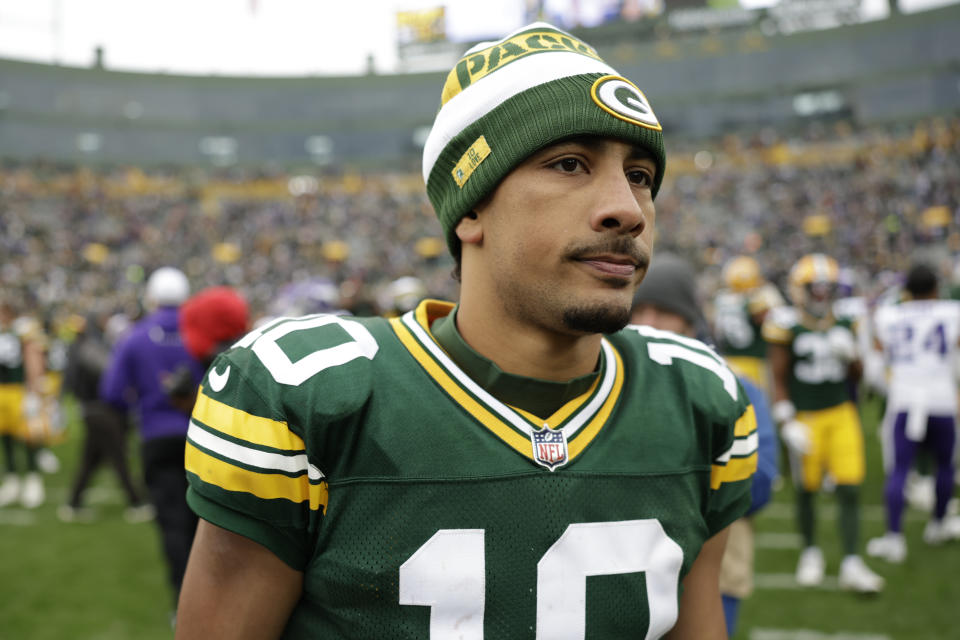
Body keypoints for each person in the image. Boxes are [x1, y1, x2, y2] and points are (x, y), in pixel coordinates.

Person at [176, 22, 757, 639]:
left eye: (640, 175)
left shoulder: (696, 400)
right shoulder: (314, 396)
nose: (628, 209)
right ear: (471, 206)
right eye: (569, 164)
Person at [631, 253, 779, 637]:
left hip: (717, 561)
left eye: (664, 312)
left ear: (690, 320)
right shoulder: (609, 382)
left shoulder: (734, 385)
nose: (648, 323)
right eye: (639, 310)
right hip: (629, 563)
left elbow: (759, 482)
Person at [763, 253, 884, 593]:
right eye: (814, 289)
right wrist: (786, 419)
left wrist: (853, 357)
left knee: (849, 486)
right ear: (799, 290)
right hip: (805, 416)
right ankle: (811, 552)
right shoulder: (785, 323)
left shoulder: (847, 320)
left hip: (841, 412)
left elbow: (861, 377)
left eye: (825, 288)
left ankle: (851, 561)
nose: (821, 295)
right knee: (807, 491)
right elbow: (778, 377)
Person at [100, 266, 205, 605]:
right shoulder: (198, 334)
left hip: (156, 437)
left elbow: (112, 392)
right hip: (200, 437)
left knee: (172, 525)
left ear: (152, 296)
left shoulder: (136, 336)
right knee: (203, 525)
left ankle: (183, 603)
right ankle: (206, 600)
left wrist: (146, 399)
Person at [867, 263, 960, 563]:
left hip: (905, 397)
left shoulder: (889, 314)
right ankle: (938, 524)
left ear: (907, 291)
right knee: (944, 466)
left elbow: (880, 349)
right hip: (941, 397)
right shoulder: (951, 311)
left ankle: (895, 538)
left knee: (899, 469)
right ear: (935, 289)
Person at [58, 310, 152, 522]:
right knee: (118, 457)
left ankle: (73, 503)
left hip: (93, 411)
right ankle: (137, 502)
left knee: (90, 460)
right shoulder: (89, 348)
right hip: (100, 410)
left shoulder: (83, 347)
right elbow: (110, 374)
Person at [0, 298, 48, 509]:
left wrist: (33, 390)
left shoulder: (22, 331)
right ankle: (11, 479)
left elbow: (33, 358)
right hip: (2, 391)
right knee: (5, 437)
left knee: (29, 435)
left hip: (19, 390)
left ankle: (32, 479)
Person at [713, 255, 784, 391]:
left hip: (728, 362)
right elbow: (777, 324)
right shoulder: (758, 302)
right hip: (754, 364)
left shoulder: (720, 299)